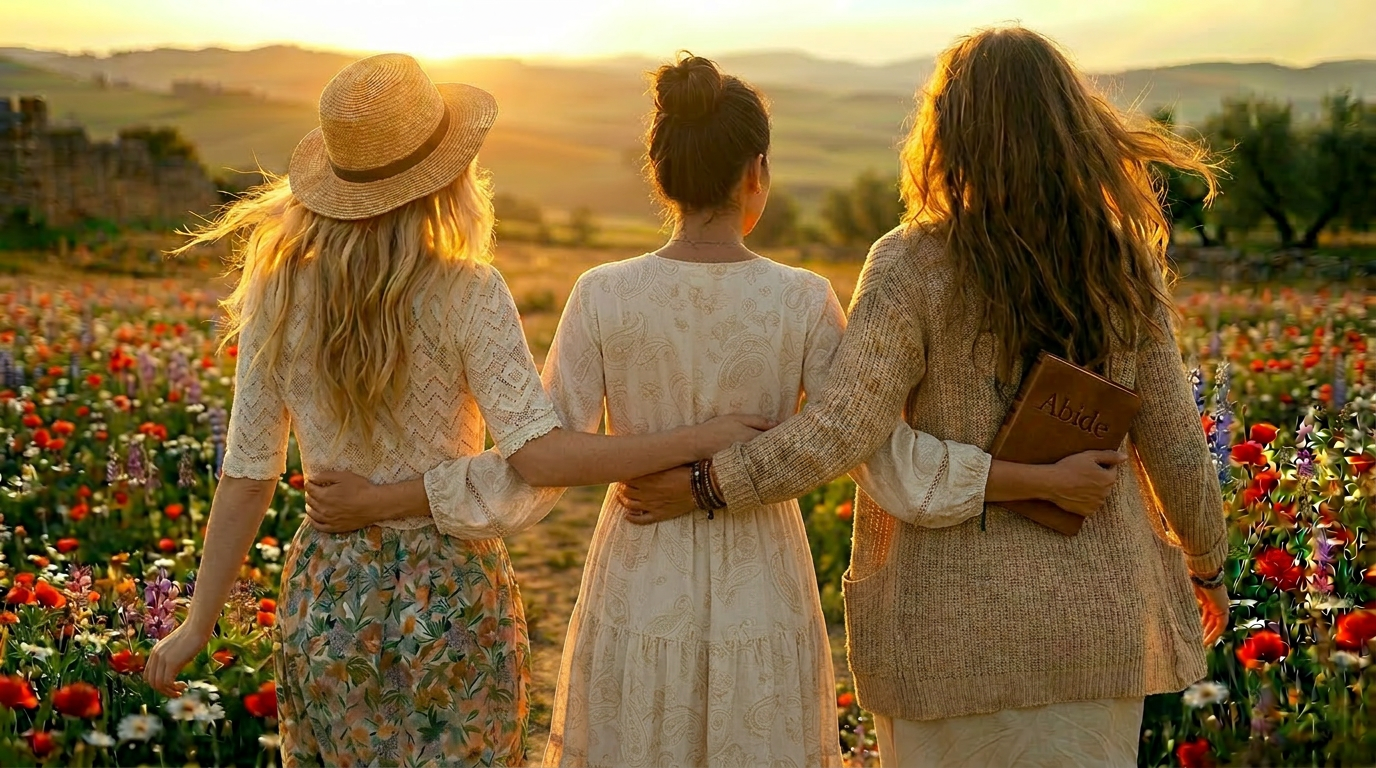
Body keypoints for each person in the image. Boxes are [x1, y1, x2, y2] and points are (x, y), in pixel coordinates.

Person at [309, 53, 1123, 767]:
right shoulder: (803, 299)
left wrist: (388, 499)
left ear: (660, 174)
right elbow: (880, 456)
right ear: (755, 172)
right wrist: (1030, 477)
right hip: (759, 584)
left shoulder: (602, 294)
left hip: (639, 576)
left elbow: (536, 465)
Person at [621, 28, 1232, 768]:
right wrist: (1208, 566)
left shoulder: (911, 261)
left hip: (944, 634)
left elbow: (840, 430)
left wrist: (707, 484)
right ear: (1071, 125)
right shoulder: (1119, 261)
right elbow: (1177, 445)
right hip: (1094, 626)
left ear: (947, 132)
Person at [141, 53, 770, 767]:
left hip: (329, 594)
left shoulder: (278, 295)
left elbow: (247, 476)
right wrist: (699, 438)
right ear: (447, 177)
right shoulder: (469, 292)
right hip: (453, 596)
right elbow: (540, 458)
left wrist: (196, 624)